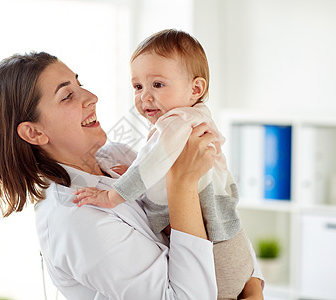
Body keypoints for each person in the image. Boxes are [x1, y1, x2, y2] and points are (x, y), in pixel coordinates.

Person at [0, 51, 264, 299]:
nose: (91, 97)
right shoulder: (75, 219)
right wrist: (182, 184)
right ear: (34, 132)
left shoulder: (117, 156)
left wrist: (253, 283)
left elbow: (216, 208)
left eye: (80, 84)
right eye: (67, 96)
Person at [73, 29, 257, 299]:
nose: (144, 96)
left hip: (217, 254)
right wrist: (138, 175)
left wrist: (112, 195)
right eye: (137, 87)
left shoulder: (176, 123)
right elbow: (160, 166)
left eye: (157, 85)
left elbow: (154, 162)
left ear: (196, 88)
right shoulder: (193, 118)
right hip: (232, 247)